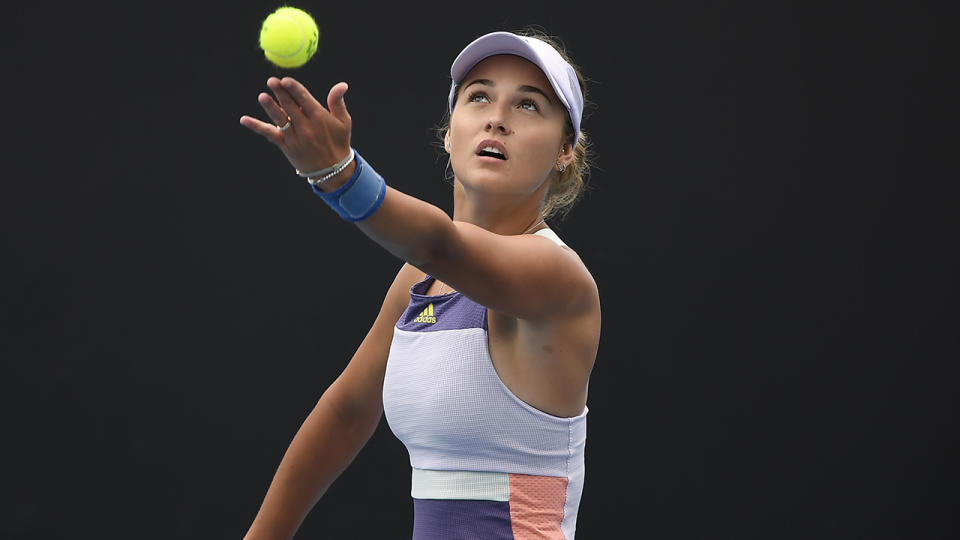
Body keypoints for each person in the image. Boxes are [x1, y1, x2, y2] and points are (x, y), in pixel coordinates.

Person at [238, 28, 601, 539]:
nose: (497, 117)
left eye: (528, 106)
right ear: (450, 132)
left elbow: (441, 244)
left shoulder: (558, 279)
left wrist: (340, 176)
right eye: (479, 97)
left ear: (566, 151)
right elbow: (347, 411)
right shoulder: (419, 279)